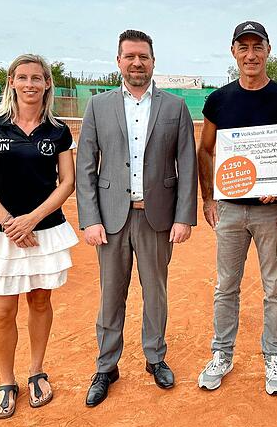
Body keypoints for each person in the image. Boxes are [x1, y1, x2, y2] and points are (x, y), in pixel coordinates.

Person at [76, 29, 198, 407]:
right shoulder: (98, 106)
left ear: (153, 60)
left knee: (155, 293)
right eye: (129, 56)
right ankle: (106, 366)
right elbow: (85, 167)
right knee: (111, 295)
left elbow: (188, 165)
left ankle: (155, 357)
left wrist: (184, 217)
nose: (137, 63)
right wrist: (90, 219)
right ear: (119, 61)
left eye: (143, 56)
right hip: (111, 220)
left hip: (157, 218)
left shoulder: (175, 107)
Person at [196, 21, 277, 395]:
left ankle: (273, 357)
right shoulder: (219, 100)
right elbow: (205, 150)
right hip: (229, 210)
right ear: (234, 52)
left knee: (276, 288)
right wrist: (208, 198)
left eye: (258, 47)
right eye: (244, 47)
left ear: (268, 51)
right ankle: (222, 354)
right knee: (226, 286)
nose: (251, 54)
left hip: (271, 213)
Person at [0, 54, 77, 419]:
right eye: (23, 77)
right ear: (12, 82)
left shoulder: (58, 130)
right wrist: (9, 222)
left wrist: (31, 219)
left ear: (47, 83)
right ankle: (5, 381)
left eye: (37, 78)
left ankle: (36, 371)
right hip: (1, 234)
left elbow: (68, 183)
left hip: (44, 231)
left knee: (40, 303)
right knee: (2, 312)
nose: (30, 84)